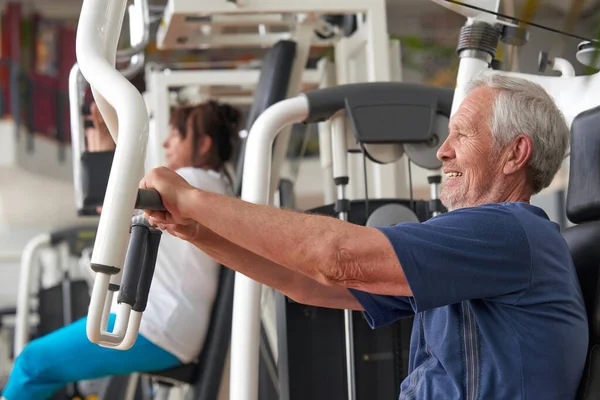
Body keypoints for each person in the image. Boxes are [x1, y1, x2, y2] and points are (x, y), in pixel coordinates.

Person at [138, 75, 588, 399]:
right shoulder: (483, 245)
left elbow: (336, 259)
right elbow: (310, 284)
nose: (441, 151)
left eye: (461, 135)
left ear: (515, 153)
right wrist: (200, 233)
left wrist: (193, 199)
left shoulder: (509, 230)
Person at [1, 100, 242, 400]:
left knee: (32, 363)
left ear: (204, 144)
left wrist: (103, 145)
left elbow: (117, 210)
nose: (166, 142)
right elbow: (122, 215)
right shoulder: (206, 186)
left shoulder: (192, 183)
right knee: (37, 363)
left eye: (176, 135)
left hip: (157, 328)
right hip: (163, 326)